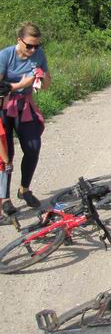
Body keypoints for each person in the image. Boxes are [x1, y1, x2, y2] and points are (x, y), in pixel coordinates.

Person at [0, 22, 51, 223]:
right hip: (4, 107)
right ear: (19, 40)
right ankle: (4, 199)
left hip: (25, 106)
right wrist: (21, 84)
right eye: (29, 45)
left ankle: (24, 189)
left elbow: (47, 84)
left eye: (36, 46)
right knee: (6, 154)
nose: (32, 50)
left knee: (32, 147)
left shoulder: (39, 55)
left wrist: (43, 76)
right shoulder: (5, 56)